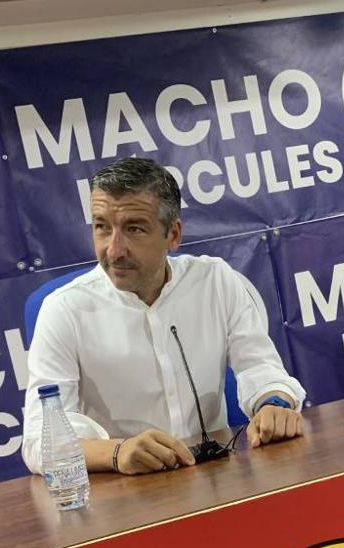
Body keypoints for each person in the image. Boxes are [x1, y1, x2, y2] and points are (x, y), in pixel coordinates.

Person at [22, 157, 306, 476]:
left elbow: (261, 368)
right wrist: (118, 451)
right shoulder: (63, 310)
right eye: (102, 227)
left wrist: (274, 405)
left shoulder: (215, 281)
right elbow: (39, 440)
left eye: (134, 229)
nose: (114, 250)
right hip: (124, 492)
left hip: (216, 478)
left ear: (173, 235)